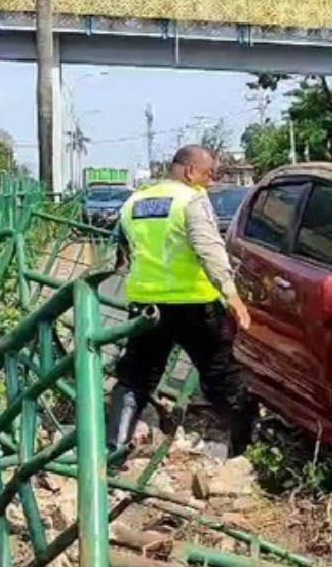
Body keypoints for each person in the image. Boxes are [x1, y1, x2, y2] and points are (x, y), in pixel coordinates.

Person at [107, 145, 254, 459]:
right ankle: (243, 452)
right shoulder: (191, 199)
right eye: (207, 173)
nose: (210, 181)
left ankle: (113, 451)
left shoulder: (134, 201)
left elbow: (124, 252)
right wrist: (232, 296)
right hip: (195, 305)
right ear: (189, 171)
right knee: (222, 376)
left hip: (147, 306)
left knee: (134, 379)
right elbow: (209, 250)